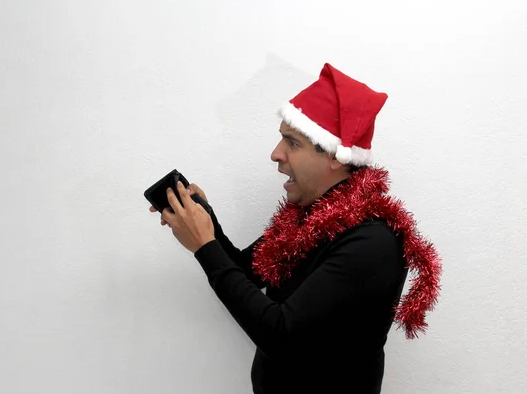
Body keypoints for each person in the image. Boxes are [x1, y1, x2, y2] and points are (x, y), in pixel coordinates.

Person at [149, 63, 442, 394]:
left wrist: (205, 246)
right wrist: (206, 222)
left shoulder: (370, 242)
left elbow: (281, 336)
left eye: (292, 142)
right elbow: (245, 273)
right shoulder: (311, 218)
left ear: (335, 155)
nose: (276, 154)